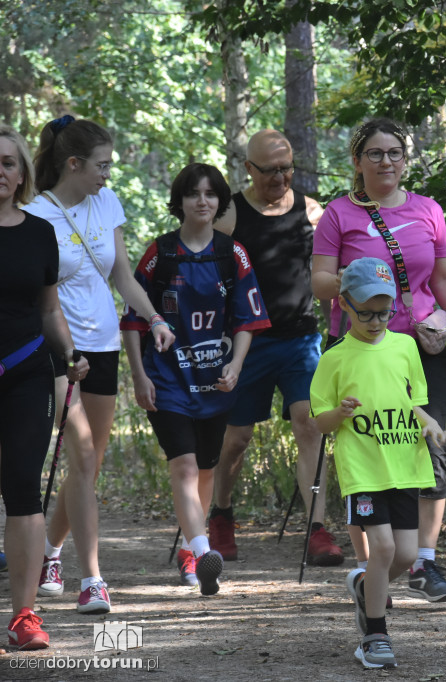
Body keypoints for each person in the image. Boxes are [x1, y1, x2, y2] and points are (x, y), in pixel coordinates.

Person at [312, 118, 446, 602]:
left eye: (395, 153)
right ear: (357, 161)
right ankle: (373, 568)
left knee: (430, 445)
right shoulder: (339, 215)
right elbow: (319, 282)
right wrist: (355, 275)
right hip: (361, 351)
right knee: (365, 447)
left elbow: (444, 277)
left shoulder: (428, 210)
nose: (386, 162)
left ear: (406, 159)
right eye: (375, 153)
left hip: (419, 347)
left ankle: (423, 563)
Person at [24, 116, 175, 615]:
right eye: (102, 166)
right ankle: (92, 579)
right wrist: (64, 352)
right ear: (74, 164)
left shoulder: (106, 203)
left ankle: (49, 551)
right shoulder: (36, 215)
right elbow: (35, 298)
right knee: (83, 456)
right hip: (59, 349)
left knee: (91, 464)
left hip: (104, 343)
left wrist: (153, 317)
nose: (107, 176)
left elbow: (121, 274)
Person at [121, 163, 270, 595]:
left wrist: (236, 365)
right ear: (180, 202)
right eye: (193, 194)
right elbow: (132, 320)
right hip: (167, 379)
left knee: (206, 468)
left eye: (210, 194)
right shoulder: (160, 254)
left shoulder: (232, 254)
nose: (202, 202)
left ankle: (192, 550)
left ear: (220, 202)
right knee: (183, 465)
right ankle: (204, 553)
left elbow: (246, 319)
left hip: (215, 379)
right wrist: (138, 375)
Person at [207, 130, 342, 565]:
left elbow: (327, 272)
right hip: (247, 343)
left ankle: (318, 529)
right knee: (237, 438)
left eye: (287, 169)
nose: (281, 178)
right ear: (249, 169)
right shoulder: (230, 215)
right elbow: (205, 274)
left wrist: (342, 322)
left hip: (300, 338)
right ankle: (222, 516)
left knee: (309, 423)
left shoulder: (312, 212)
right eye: (271, 171)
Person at [310, 257, 446, 669]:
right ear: (345, 305)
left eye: (385, 312)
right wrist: (339, 413)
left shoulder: (405, 346)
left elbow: (415, 402)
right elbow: (319, 421)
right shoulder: (335, 357)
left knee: (406, 556)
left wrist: (432, 427)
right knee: (383, 548)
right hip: (364, 469)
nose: (377, 321)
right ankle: (374, 635)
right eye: (367, 312)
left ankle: (366, 584)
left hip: (405, 464)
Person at [1, 123, 90, 649]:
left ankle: (23, 617)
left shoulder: (39, 232)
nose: (1, 171)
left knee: (22, 491)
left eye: (9, 163)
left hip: (26, 372)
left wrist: (71, 355)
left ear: (22, 174)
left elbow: (50, 308)